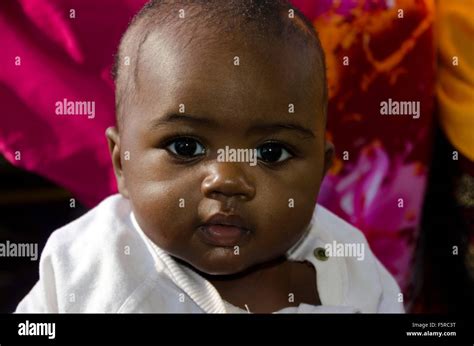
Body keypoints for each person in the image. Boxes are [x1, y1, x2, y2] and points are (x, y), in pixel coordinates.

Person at [16, 0, 403, 313]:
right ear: (122, 163)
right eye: (186, 148)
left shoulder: (348, 265)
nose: (227, 179)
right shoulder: (87, 269)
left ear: (321, 168)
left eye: (271, 152)